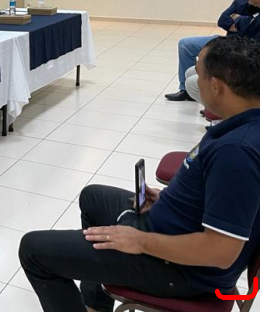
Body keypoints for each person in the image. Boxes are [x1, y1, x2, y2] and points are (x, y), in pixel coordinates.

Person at [19, 36, 260, 312]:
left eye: (199, 73)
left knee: (33, 250)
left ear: (216, 86)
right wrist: (168, 200)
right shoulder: (242, 125)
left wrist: (140, 242)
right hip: (173, 228)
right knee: (92, 197)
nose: (195, 81)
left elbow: (221, 252)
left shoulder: (237, 151)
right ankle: (95, 304)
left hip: (181, 270)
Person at [165, 0, 260, 101]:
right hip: (229, 41)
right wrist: (243, 21)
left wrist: (239, 19)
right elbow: (223, 19)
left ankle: (216, 109)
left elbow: (248, 31)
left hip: (241, 54)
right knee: (185, 44)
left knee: (195, 77)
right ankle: (185, 91)